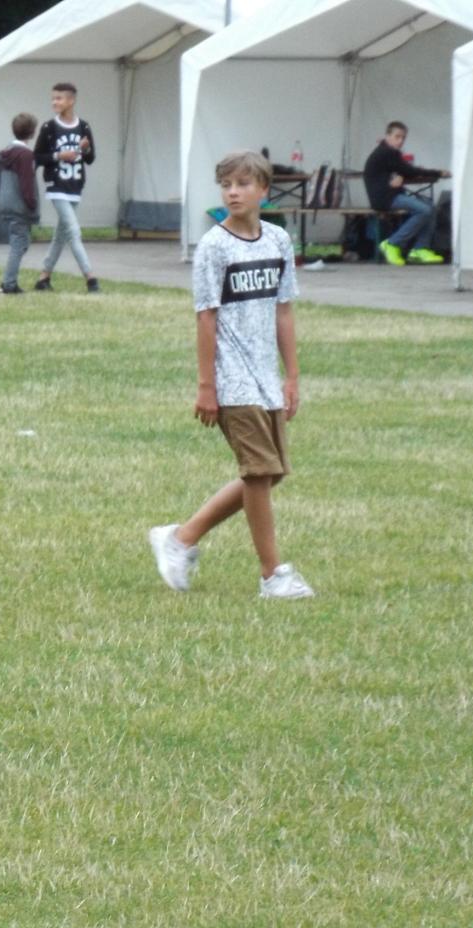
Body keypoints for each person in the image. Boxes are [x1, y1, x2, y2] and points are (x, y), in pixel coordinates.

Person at [149, 150, 313, 600]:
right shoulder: (214, 246)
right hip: (232, 379)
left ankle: (180, 538)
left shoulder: (278, 240)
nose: (233, 193)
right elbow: (206, 318)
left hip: (265, 378)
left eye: (243, 184)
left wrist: (292, 376)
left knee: (271, 473)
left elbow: (283, 311)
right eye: (226, 185)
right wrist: (207, 386)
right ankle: (273, 574)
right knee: (258, 472)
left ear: (264, 190)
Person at [32, 81, 100, 293]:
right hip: (57, 186)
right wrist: (58, 156)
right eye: (53, 98)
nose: (55, 102)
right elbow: (37, 156)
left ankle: (44, 277)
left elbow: (90, 159)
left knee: (60, 235)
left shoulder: (84, 127)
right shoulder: (49, 128)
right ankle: (90, 278)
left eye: (59, 98)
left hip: (75, 187)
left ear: (71, 100)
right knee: (73, 231)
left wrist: (85, 150)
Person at [362, 120, 450, 266]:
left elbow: (403, 170)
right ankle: (392, 243)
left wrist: (400, 176)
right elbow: (410, 171)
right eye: (397, 137)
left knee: (430, 206)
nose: (401, 141)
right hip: (384, 198)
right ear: (387, 136)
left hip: (391, 194)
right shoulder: (387, 152)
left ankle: (420, 249)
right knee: (425, 210)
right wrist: (438, 173)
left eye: (403, 137)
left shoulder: (388, 151)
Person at [0, 112, 39, 295]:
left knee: (21, 242)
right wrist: (32, 202)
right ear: (32, 132)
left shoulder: (8, 151)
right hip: (19, 205)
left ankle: (8, 280)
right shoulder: (25, 155)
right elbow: (26, 182)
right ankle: (9, 283)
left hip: (6, 202)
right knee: (19, 243)